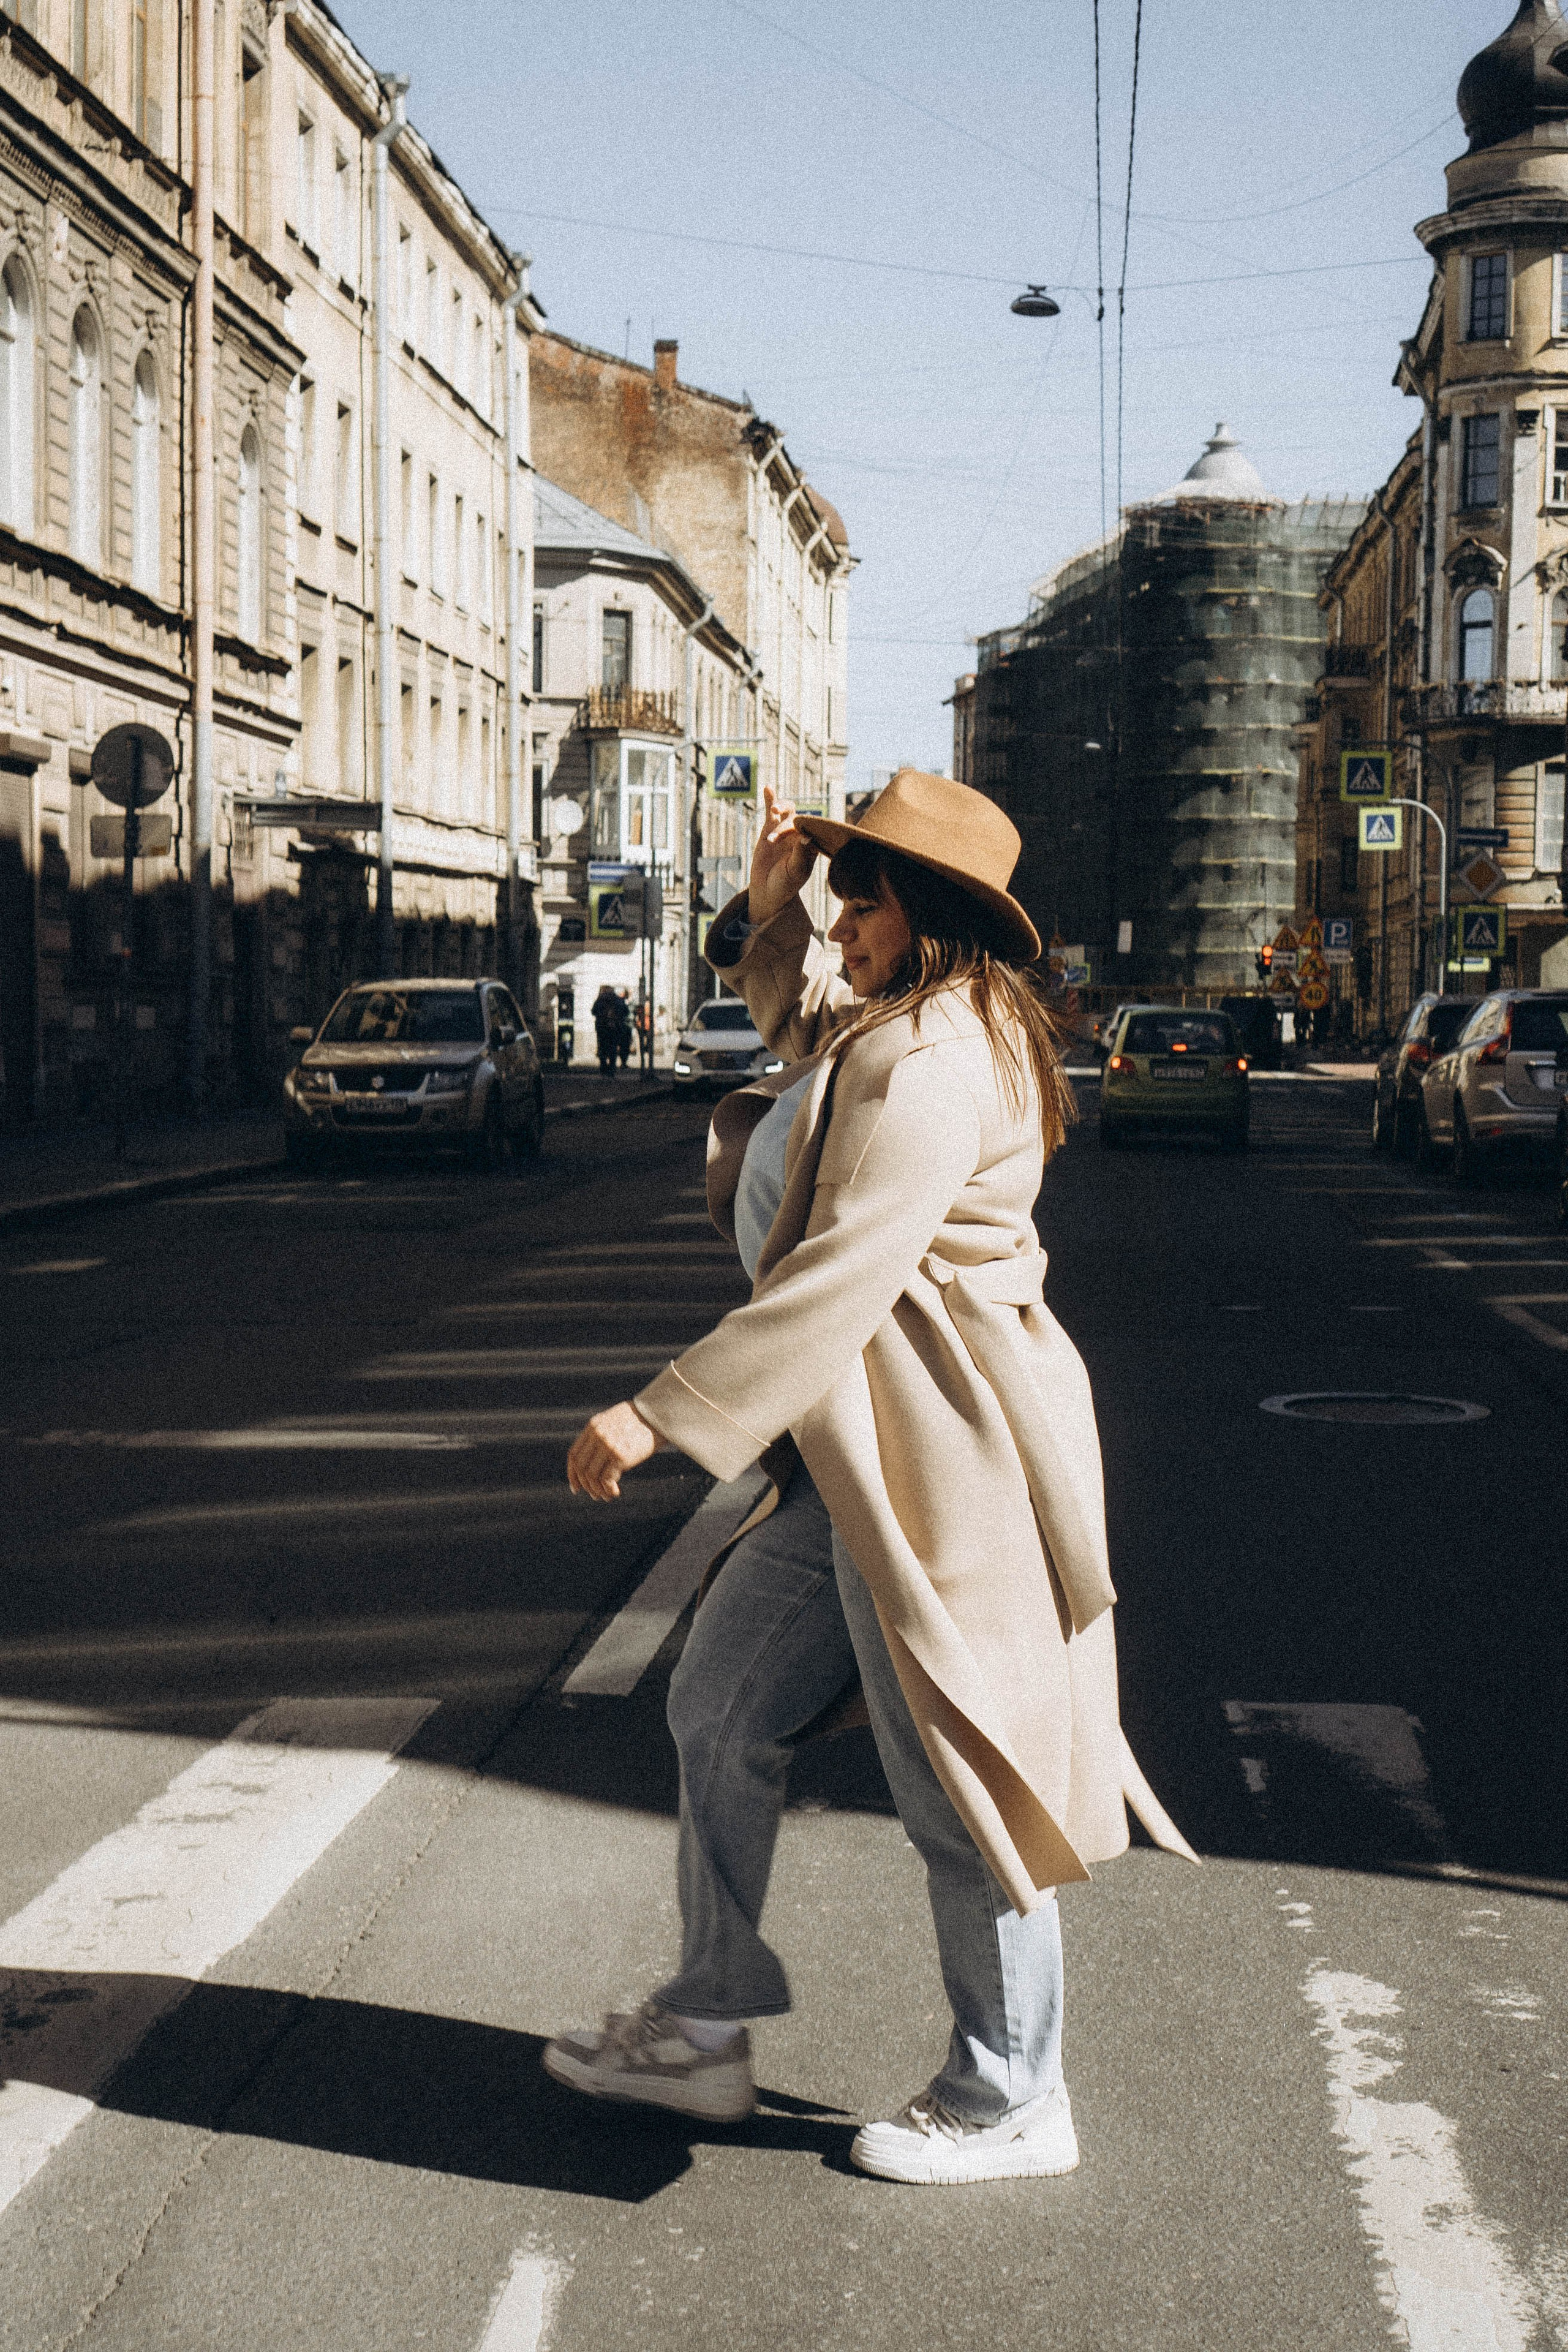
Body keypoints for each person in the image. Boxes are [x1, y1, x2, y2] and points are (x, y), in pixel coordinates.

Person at [550, 769, 1193, 2186]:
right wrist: (766, 913)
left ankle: (1014, 2089)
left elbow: (842, 1274)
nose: (841, 916)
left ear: (935, 915)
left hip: (935, 1455)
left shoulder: (938, 1065)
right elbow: (792, 1032)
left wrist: (662, 1412)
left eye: (865, 894)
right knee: (716, 1705)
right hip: (845, 1455)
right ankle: (707, 2018)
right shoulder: (895, 1033)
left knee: (961, 1782)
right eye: (838, 891)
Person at [590, 984, 621, 1077]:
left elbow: (593, 1011)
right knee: (613, 1049)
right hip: (614, 1028)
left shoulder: (600, 1000)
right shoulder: (617, 999)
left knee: (602, 1049)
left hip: (602, 1028)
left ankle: (603, 1069)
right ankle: (611, 1070)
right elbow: (625, 1011)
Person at [616, 986, 634, 1071]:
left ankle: (623, 1062)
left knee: (625, 1045)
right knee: (624, 1045)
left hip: (624, 1026)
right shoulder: (621, 1002)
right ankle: (623, 1062)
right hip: (624, 1026)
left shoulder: (625, 1001)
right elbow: (626, 1012)